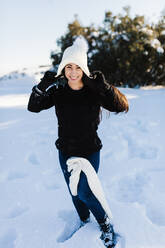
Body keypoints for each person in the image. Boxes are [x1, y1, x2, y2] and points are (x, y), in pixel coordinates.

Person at [27, 36, 129, 247]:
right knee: (74, 193)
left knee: (84, 191)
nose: (73, 72)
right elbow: (33, 107)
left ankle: (105, 222)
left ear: (83, 69)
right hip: (65, 151)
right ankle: (84, 219)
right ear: (63, 68)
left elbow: (121, 106)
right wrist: (41, 86)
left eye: (77, 67)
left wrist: (105, 88)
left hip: (90, 151)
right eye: (68, 67)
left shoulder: (94, 91)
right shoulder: (58, 91)